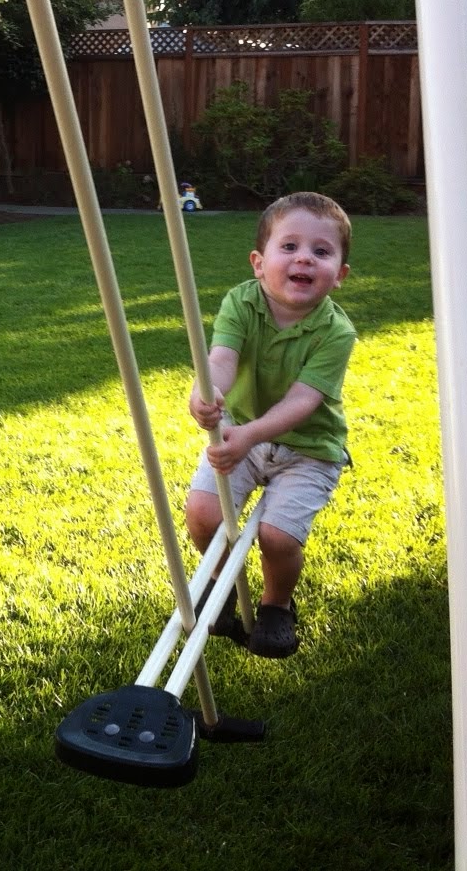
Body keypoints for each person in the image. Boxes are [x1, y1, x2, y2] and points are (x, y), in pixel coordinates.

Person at [186, 191, 355, 659]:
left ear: (338, 275)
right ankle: (218, 584)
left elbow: (304, 400)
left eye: (321, 252)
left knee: (277, 537)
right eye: (290, 247)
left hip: (309, 450)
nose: (304, 258)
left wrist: (248, 437)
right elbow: (221, 359)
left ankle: (276, 604)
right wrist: (207, 391)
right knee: (203, 513)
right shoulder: (241, 302)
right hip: (242, 432)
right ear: (259, 263)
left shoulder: (336, 332)